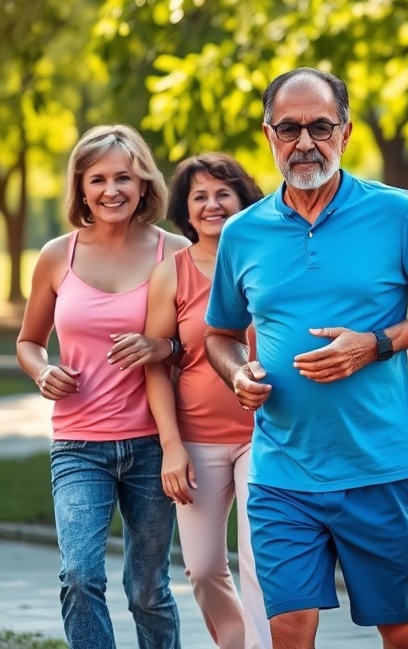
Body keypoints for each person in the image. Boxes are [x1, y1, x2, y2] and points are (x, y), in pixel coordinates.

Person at [203, 67, 408, 649]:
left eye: (320, 127)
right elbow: (219, 333)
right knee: (289, 627)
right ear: (268, 136)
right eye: (289, 128)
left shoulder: (396, 213)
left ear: (346, 132)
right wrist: (239, 373)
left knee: (403, 630)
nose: (305, 142)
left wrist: (377, 343)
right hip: (282, 470)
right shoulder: (242, 233)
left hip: (377, 466)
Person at [16, 124, 189, 648]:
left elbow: (201, 342)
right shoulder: (56, 255)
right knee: (80, 576)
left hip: (153, 447)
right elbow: (28, 341)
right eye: (98, 180)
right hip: (78, 446)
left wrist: (165, 348)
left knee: (148, 589)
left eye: (124, 177)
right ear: (81, 187)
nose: (111, 190)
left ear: (143, 184)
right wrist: (42, 370)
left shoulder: (175, 252)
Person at [144, 153, 270, 648]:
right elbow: (155, 360)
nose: (212, 204)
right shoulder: (170, 273)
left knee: (261, 564)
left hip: (266, 436)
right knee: (201, 568)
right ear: (185, 209)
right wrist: (171, 446)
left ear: (243, 201)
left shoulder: (269, 260)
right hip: (196, 440)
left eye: (224, 193)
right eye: (200, 196)